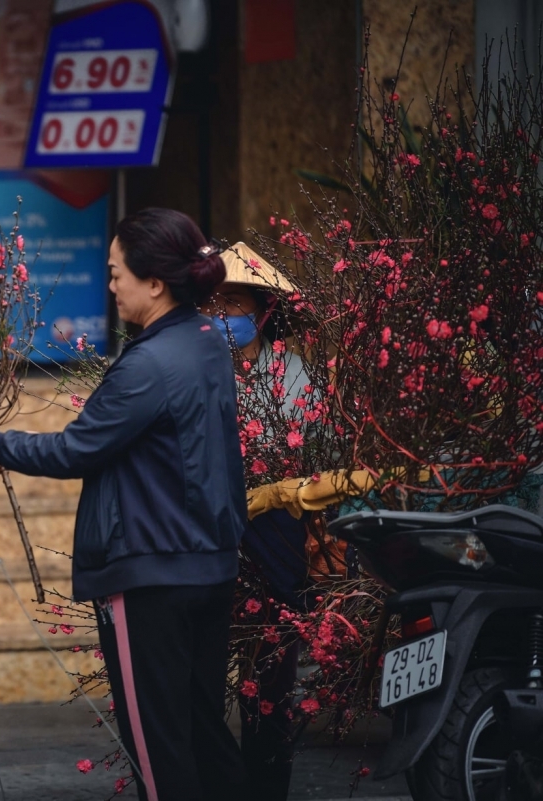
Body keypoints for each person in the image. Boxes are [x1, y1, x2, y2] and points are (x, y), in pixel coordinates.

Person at [0, 208, 249, 800]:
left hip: (152, 569)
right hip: (208, 561)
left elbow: (77, 449)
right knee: (204, 727)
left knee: (158, 745)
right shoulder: (206, 341)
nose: (110, 287)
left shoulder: (152, 362)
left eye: (115, 274)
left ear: (155, 281)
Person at [200, 243, 312, 801]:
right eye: (213, 302)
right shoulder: (197, 367)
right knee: (199, 685)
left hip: (277, 544)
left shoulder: (294, 375)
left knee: (270, 688)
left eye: (235, 303)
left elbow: (320, 456)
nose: (223, 315)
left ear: (263, 310)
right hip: (208, 542)